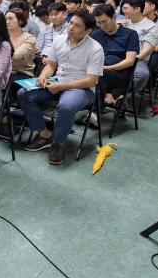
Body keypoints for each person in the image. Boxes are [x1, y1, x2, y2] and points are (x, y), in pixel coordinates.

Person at [19, 10, 104, 165]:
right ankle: (44, 134)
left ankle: (58, 143)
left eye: (77, 26)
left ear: (88, 31)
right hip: (58, 81)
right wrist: (43, 76)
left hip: (81, 88)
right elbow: (51, 65)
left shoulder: (95, 48)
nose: (71, 27)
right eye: (71, 23)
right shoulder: (59, 40)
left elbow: (91, 80)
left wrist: (62, 86)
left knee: (66, 106)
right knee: (23, 93)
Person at [90, 4, 139, 121]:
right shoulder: (95, 34)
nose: (102, 25)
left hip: (120, 74)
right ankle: (108, 96)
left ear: (114, 17)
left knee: (98, 73)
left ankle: (96, 111)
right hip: (99, 72)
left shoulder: (130, 34)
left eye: (105, 21)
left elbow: (130, 61)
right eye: (98, 23)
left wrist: (109, 68)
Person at [6, 9, 36, 81]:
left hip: (22, 73)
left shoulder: (29, 38)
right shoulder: (4, 36)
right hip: (6, 70)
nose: (7, 22)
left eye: (11, 19)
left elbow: (16, 56)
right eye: (5, 19)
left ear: (21, 21)